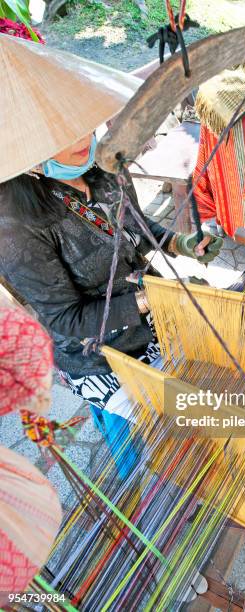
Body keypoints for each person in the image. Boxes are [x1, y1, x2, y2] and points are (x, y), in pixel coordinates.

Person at [0, 132, 223, 456]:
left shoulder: (104, 167)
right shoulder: (14, 225)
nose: (80, 136)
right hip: (100, 356)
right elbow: (66, 318)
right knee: (160, 450)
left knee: (208, 408)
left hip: (155, 323)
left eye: (83, 123)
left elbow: (136, 229)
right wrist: (155, 299)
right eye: (62, 131)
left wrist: (180, 243)